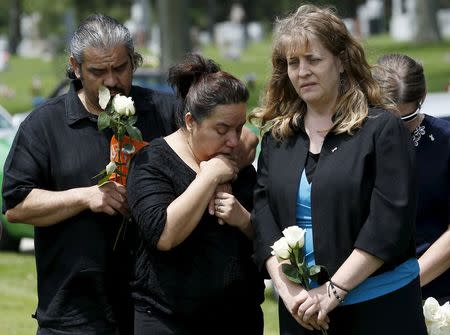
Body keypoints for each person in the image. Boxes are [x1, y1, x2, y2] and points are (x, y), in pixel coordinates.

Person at [2, 14, 257, 335]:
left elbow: (240, 136)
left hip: (154, 307)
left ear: (134, 63)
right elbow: (16, 206)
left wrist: (222, 170)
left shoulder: (163, 109)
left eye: (120, 68)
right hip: (74, 312)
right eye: (98, 71)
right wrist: (85, 196)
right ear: (75, 67)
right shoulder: (44, 125)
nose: (111, 80)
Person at [250, 4, 427, 335]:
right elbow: (263, 217)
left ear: (342, 60)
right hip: (303, 311)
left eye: (313, 59)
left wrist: (332, 292)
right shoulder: (278, 136)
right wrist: (291, 295)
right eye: (293, 63)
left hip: (379, 309)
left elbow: (389, 222)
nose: (302, 71)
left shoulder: (381, 128)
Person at [126, 53, 265, 335]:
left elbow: (270, 235)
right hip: (168, 321)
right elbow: (164, 234)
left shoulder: (240, 165)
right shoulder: (152, 162)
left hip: (239, 319)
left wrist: (243, 219)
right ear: (190, 122)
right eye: (222, 129)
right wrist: (209, 176)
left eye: (239, 128)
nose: (233, 140)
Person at [373, 53, 450, 304]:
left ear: (423, 96)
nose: (394, 128)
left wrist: (405, 287)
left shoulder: (444, 142)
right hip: (367, 287)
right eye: (384, 117)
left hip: (433, 287)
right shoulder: (355, 142)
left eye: (405, 119)